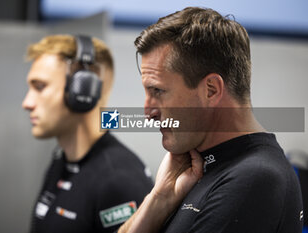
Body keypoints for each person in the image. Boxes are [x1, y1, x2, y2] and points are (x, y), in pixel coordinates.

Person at [118, 7, 304, 233]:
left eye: (158, 91)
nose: (148, 112)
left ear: (211, 90)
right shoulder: (202, 168)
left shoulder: (254, 180)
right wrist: (159, 199)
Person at [22, 34, 153, 233]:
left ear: (82, 89)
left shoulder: (118, 181)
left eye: (40, 87)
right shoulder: (62, 160)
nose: (27, 103)